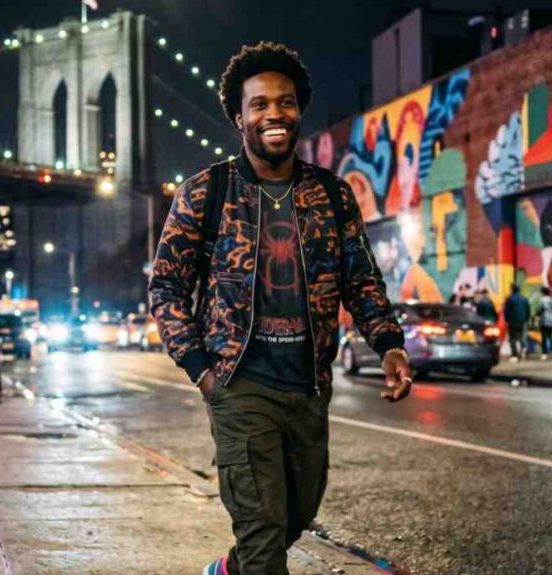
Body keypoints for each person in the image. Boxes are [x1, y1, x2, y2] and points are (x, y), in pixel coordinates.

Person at [149, 42, 411, 575]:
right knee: (264, 531)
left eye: (285, 102)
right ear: (238, 116)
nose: (274, 114)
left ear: (298, 110)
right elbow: (167, 289)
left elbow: (360, 279)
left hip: (308, 386)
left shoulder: (332, 195)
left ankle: (229, 570)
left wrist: (389, 344)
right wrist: (203, 373)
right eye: (260, 104)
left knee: (294, 516)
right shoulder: (206, 193)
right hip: (239, 385)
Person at [504, 284, 531, 362]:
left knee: (512, 338)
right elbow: (528, 310)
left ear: (512, 290)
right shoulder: (524, 299)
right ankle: (523, 349)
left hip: (512, 321)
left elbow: (507, 311)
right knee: (521, 336)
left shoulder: (510, 299)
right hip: (522, 321)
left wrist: (507, 320)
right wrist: (526, 319)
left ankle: (514, 354)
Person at [534, 286, 552, 360]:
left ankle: (545, 353)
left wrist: (536, 315)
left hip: (544, 320)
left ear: (543, 292)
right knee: (550, 336)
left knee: (544, 337)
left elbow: (539, 309)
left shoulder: (542, 300)